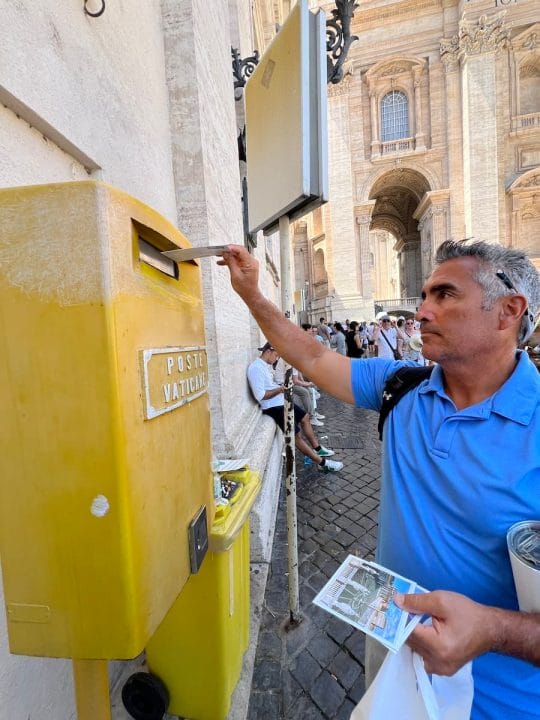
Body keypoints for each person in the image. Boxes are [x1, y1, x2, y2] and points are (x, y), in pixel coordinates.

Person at [220, 239, 540, 719]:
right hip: (393, 664)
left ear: (508, 311)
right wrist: (251, 294)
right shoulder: (401, 385)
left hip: (502, 703)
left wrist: (493, 630)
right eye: (425, 295)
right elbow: (308, 355)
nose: (422, 310)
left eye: (445, 295)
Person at [246, 342, 342, 473]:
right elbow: (260, 395)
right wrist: (280, 389)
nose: (277, 359)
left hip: (280, 401)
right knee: (295, 435)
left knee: (305, 417)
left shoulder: (265, 366)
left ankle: (317, 448)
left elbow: (270, 386)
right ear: (268, 351)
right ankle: (323, 463)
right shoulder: (256, 368)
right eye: (276, 355)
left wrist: (280, 389)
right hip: (273, 407)